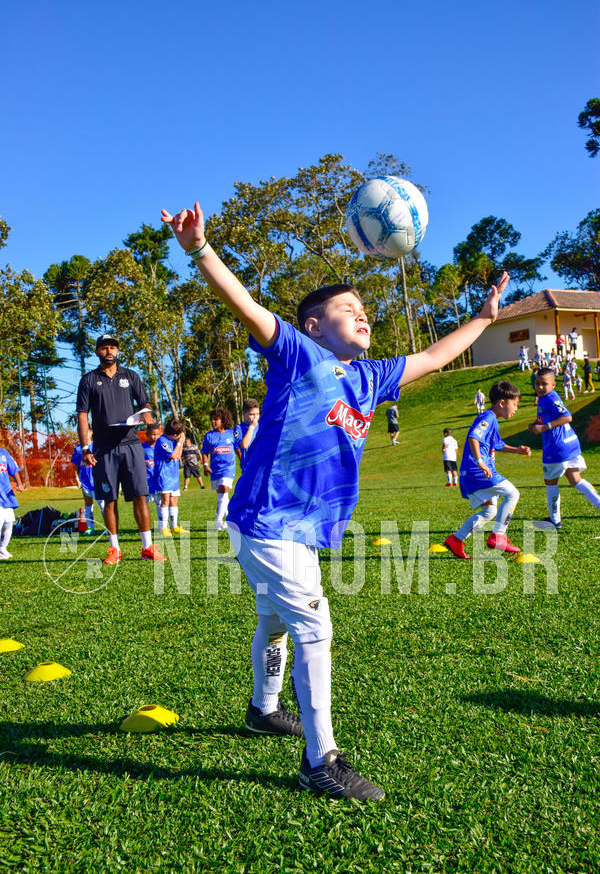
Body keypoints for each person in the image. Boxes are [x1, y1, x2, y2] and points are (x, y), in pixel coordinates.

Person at [161, 198, 509, 802]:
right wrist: (199, 250)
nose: (364, 317)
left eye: (367, 311)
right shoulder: (299, 355)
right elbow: (243, 303)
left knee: (276, 620)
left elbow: (433, 356)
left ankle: (263, 709)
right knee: (314, 627)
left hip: (298, 530)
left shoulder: (371, 379)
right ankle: (320, 760)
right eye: (349, 310)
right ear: (315, 325)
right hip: (267, 519)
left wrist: (482, 318)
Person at [75, 334, 166, 564]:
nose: (109, 351)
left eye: (113, 347)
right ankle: (114, 549)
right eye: (104, 348)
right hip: (103, 448)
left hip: (131, 444)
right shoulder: (88, 380)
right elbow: (83, 416)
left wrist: (146, 414)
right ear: (97, 352)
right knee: (108, 499)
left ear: (118, 351)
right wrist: (86, 447)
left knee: (140, 496)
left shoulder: (131, 376)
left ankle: (147, 547)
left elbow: (144, 403)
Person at [444, 382, 531, 560]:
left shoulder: (492, 421)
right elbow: (473, 437)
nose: (516, 409)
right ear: (501, 403)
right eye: (514, 404)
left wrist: (516, 450)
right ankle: (499, 536)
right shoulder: (488, 417)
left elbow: (497, 445)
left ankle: (456, 540)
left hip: (471, 473)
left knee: (489, 512)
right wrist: (480, 462)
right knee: (513, 494)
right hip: (477, 471)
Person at [529, 367, 600, 530]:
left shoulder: (549, 398)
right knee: (576, 480)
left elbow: (567, 416)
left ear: (553, 385)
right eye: (537, 383)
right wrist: (535, 425)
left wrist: (545, 427)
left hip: (557, 447)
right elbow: (547, 417)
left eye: (544, 384)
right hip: (571, 444)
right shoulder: (545, 398)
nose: (539, 387)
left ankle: (555, 521)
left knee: (550, 482)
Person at [202, 408, 236, 530]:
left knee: (223, 488)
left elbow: (237, 449)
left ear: (223, 420)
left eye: (216, 419)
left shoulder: (231, 434)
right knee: (222, 495)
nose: (213, 421)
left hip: (228, 469)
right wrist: (205, 466)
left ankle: (217, 520)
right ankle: (229, 520)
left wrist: (243, 463)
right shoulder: (209, 436)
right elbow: (204, 452)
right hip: (215, 470)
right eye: (212, 419)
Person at [154, 418, 188, 535]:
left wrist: (180, 443)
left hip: (173, 476)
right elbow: (173, 455)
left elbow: (179, 455)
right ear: (174, 434)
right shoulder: (162, 441)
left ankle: (174, 526)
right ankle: (163, 527)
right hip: (164, 476)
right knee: (165, 500)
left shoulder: (173, 440)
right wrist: (180, 442)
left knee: (174, 500)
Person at [71, 432, 105, 534]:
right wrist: (77, 479)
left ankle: (109, 527)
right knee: (88, 504)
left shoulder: (96, 446)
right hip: (85, 482)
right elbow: (76, 465)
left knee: (103, 504)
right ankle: (90, 528)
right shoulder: (77, 449)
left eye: (86, 432)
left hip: (97, 480)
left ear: (91, 433)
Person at [0, 446, 25, 559]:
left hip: (6, 494)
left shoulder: (3, 453)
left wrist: (19, 484)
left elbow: (14, 469)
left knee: (9, 523)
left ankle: (2, 548)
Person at [141, 422, 162, 520]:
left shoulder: (162, 447)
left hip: (159, 482)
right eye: (153, 434)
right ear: (147, 435)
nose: (155, 437)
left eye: (157, 434)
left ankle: (162, 526)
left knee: (161, 504)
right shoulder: (141, 448)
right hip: (146, 483)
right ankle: (145, 526)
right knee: (143, 505)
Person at [234, 399, 261, 471]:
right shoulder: (238, 428)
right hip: (248, 467)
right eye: (252, 414)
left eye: (257, 414)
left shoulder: (261, 426)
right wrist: (251, 427)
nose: (255, 417)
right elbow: (244, 445)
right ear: (243, 414)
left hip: (261, 465)